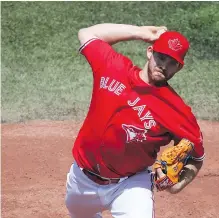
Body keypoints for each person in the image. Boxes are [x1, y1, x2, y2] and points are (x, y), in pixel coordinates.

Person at [65, 23, 205, 218]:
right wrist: (140, 32)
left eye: (172, 62)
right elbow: (87, 33)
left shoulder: (177, 110)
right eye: (161, 57)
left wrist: (178, 185)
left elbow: (197, 157)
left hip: (130, 184)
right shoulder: (112, 67)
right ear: (150, 52)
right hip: (82, 180)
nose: (164, 65)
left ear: (179, 68)